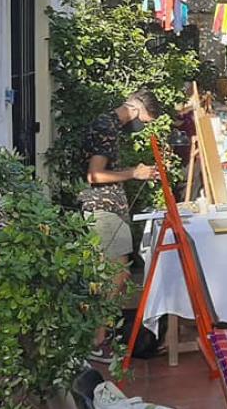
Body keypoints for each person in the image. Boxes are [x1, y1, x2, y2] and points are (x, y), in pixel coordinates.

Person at [80, 90, 162, 362]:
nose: (143, 127)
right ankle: (96, 339)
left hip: (109, 208)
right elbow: (94, 174)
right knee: (115, 276)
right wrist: (133, 173)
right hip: (102, 209)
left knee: (117, 276)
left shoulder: (110, 125)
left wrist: (132, 172)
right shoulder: (106, 126)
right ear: (138, 109)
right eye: (147, 121)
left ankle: (98, 336)